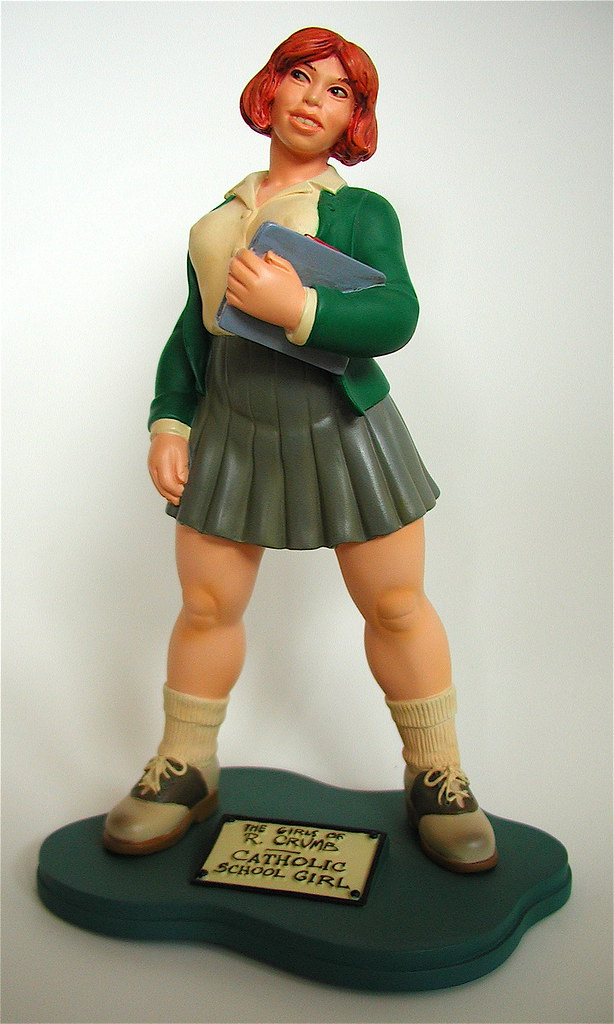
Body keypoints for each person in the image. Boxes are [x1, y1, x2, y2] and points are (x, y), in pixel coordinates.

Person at [103, 27, 497, 873]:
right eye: (300, 76)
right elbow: (191, 335)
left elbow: (395, 312)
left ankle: (438, 772)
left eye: (339, 90)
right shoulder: (219, 217)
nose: (315, 99)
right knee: (206, 604)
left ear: (356, 116)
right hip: (234, 425)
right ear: (270, 88)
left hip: (341, 424)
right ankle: (185, 764)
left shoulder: (361, 211)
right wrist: (171, 421)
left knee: (396, 604)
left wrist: (301, 308)